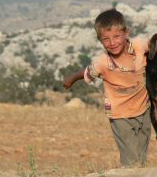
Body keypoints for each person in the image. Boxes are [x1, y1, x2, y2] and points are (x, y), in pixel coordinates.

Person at [63, 9, 151, 167]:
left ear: (126, 33)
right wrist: (71, 79)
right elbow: (87, 71)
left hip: (144, 108)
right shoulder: (103, 62)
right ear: (100, 41)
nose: (112, 42)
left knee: (141, 153)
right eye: (106, 39)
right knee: (131, 158)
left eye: (117, 36)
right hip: (119, 114)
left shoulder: (139, 46)